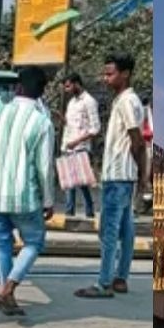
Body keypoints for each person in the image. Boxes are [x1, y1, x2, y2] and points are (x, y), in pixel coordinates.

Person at [0, 66, 55, 316]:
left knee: (2, 244)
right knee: (34, 242)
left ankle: (7, 291)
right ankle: (8, 290)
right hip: (24, 198)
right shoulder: (42, 123)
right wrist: (48, 200)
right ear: (40, 93)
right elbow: (45, 168)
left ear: (18, 87)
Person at [76, 54, 147, 299]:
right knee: (126, 230)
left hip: (118, 174)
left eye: (110, 73)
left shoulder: (127, 101)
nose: (105, 79)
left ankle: (104, 283)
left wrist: (141, 174)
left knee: (109, 229)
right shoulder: (128, 100)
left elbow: (137, 140)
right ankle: (120, 278)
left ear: (125, 74)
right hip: (123, 175)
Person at [60, 72, 99, 218]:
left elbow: (95, 128)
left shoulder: (89, 101)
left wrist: (76, 142)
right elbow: (71, 124)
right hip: (68, 145)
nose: (67, 89)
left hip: (80, 147)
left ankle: (88, 210)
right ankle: (70, 212)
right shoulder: (72, 102)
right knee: (69, 183)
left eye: (69, 86)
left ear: (76, 83)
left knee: (82, 182)